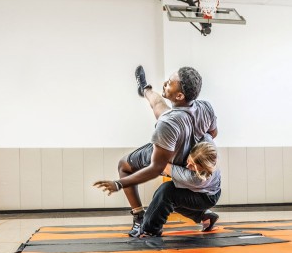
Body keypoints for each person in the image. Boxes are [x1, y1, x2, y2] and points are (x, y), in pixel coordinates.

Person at [93, 65, 219, 236]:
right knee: (159, 104)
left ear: (180, 95)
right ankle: (145, 89)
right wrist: (195, 145)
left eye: (169, 83)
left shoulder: (168, 123)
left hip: (175, 157)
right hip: (188, 155)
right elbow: (213, 133)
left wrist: (119, 184)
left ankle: (138, 216)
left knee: (124, 165)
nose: (165, 83)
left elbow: (156, 169)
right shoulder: (205, 107)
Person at [138, 134, 221, 237]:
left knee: (166, 192)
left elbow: (162, 165)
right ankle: (205, 216)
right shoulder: (206, 141)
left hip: (207, 197)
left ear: (203, 168)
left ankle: (150, 229)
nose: (187, 166)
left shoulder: (196, 178)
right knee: (167, 201)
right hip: (209, 190)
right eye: (189, 162)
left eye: (193, 167)